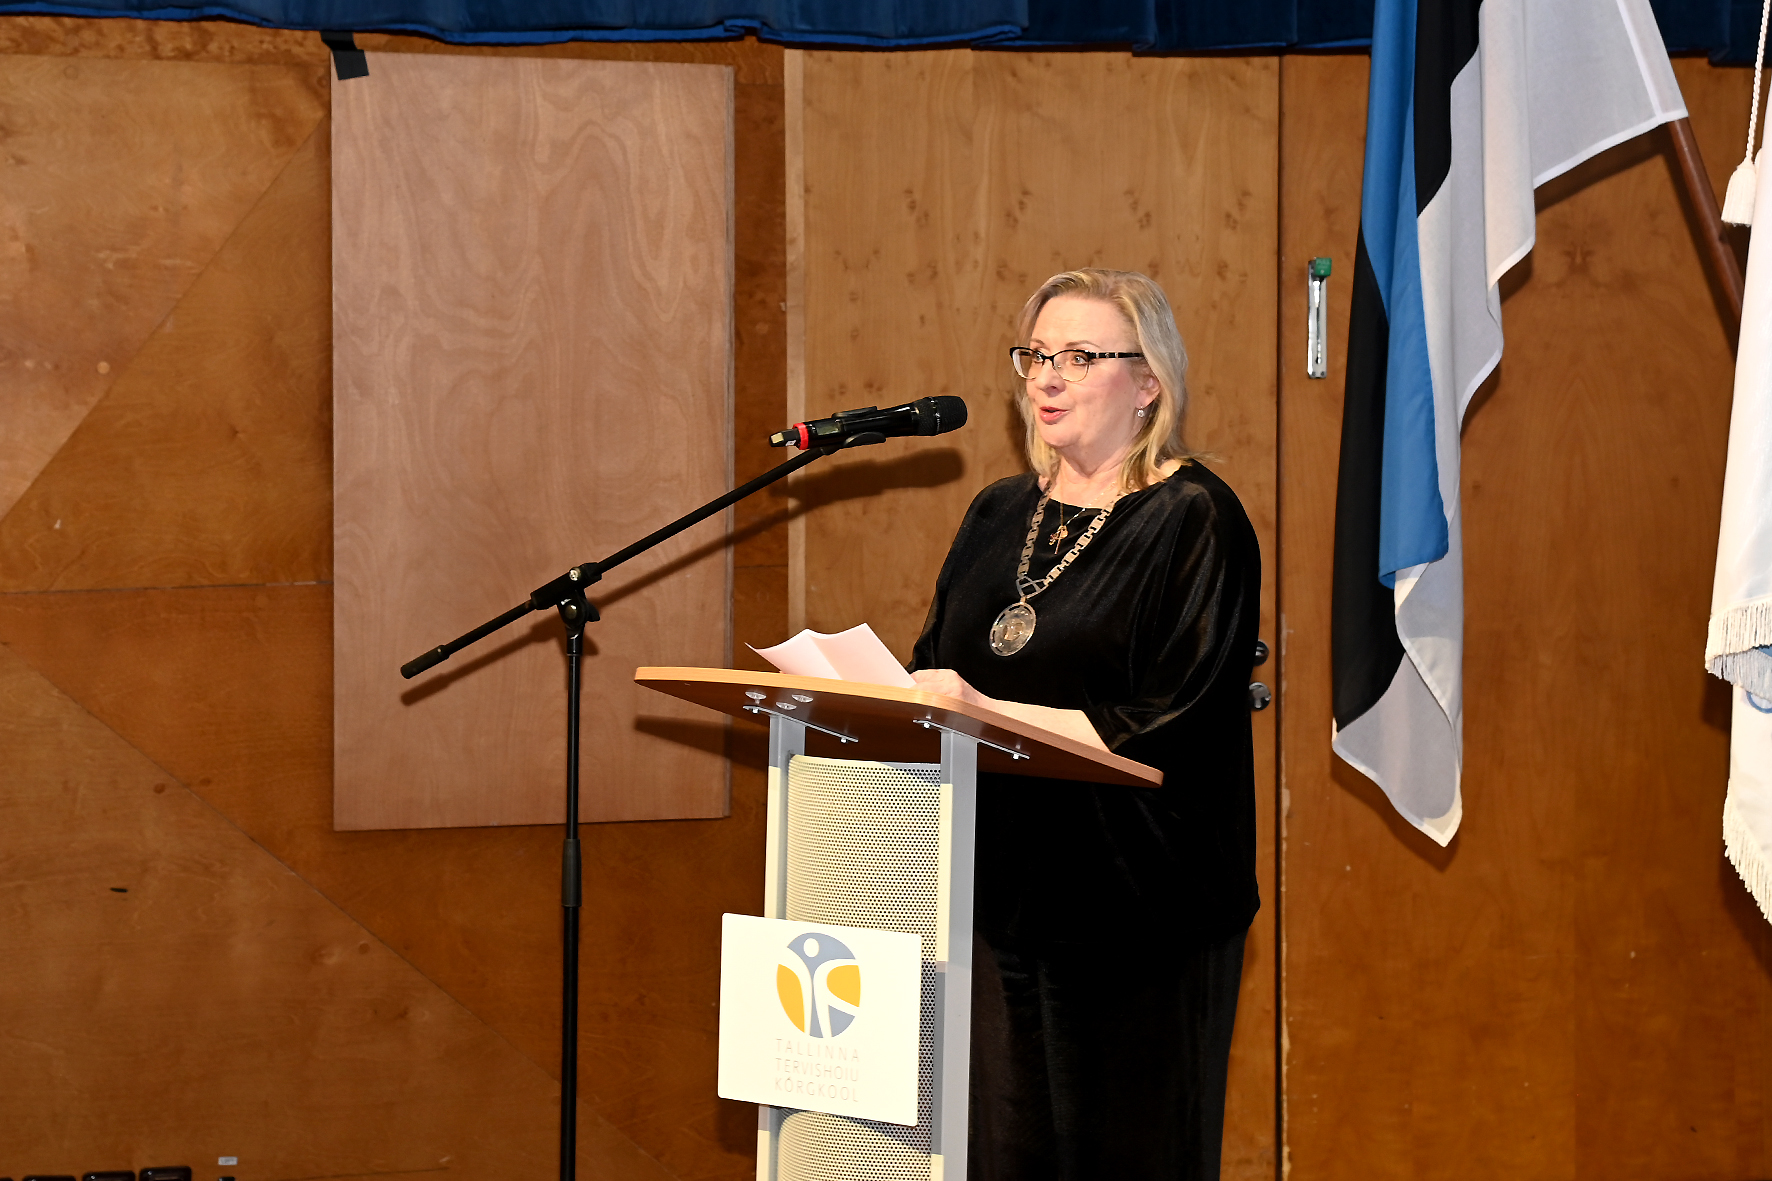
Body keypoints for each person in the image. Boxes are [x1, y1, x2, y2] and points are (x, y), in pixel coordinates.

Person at [909, 268, 1261, 1180]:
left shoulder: (1196, 518)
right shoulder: (998, 511)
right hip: (995, 900)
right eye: (1035, 355)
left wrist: (987, 712)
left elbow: (1170, 721)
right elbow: (933, 666)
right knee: (1000, 1155)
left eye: (1077, 356)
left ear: (1148, 383)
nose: (1046, 376)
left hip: (1140, 908)